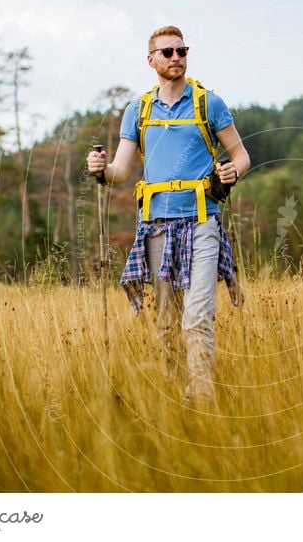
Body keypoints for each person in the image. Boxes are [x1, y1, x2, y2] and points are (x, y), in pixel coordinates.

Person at [86, 25, 251, 408]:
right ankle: (177, 400)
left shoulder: (209, 103)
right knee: (166, 323)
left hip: (201, 222)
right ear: (151, 60)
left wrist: (233, 171)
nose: (176, 57)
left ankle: (203, 400)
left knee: (196, 317)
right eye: (167, 52)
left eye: (181, 51)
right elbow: (120, 172)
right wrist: (100, 168)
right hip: (155, 228)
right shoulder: (138, 110)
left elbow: (241, 155)